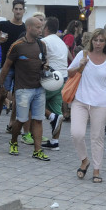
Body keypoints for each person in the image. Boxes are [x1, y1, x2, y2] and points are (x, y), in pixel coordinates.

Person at [0, 17, 50, 161]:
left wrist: (45, 66)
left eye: (41, 27)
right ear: (29, 28)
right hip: (22, 89)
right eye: (38, 27)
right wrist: (1, 86)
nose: (40, 30)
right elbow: (7, 67)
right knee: (21, 120)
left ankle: (37, 150)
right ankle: (13, 141)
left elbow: (45, 61)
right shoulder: (17, 45)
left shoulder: (42, 44)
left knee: (38, 119)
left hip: (39, 87)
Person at [69, 29, 106, 183]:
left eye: (101, 40)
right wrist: (79, 66)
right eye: (96, 40)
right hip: (80, 101)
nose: (98, 43)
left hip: (101, 103)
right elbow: (69, 74)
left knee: (97, 137)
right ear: (91, 41)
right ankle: (84, 160)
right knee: (77, 133)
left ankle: (96, 170)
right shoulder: (83, 55)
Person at [0, 0, 27, 135]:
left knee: (18, 97)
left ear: (24, 11)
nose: (18, 11)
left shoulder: (25, 28)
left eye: (20, 9)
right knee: (2, 95)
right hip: (6, 65)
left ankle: (12, 123)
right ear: (12, 10)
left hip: (20, 67)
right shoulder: (3, 25)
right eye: (16, 9)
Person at [41, 17, 69, 151]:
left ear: (46, 28)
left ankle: (51, 117)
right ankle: (54, 141)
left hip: (50, 77)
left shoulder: (45, 41)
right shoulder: (61, 42)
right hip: (62, 78)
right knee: (57, 109)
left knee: (33, 103)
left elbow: (41, 59)